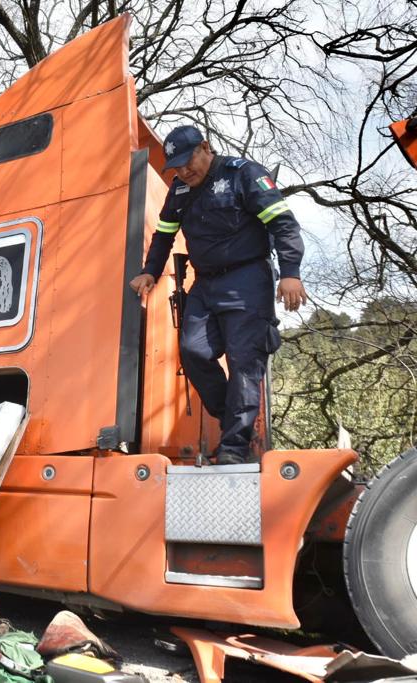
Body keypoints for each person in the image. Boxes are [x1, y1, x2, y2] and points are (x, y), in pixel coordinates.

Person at [129, 126, 308, 465]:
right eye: (176, 167)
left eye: (188, 161)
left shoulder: (243, 174)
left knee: (244, 362)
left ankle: (234, 448)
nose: (184, 171)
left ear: (206, 148)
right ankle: (233, 423)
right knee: (193, 351)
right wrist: (150, 270)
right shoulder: (180, 190)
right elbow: (165, 234)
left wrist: (290, 273)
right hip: (205, 284)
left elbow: (282, 223)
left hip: (247, 279)